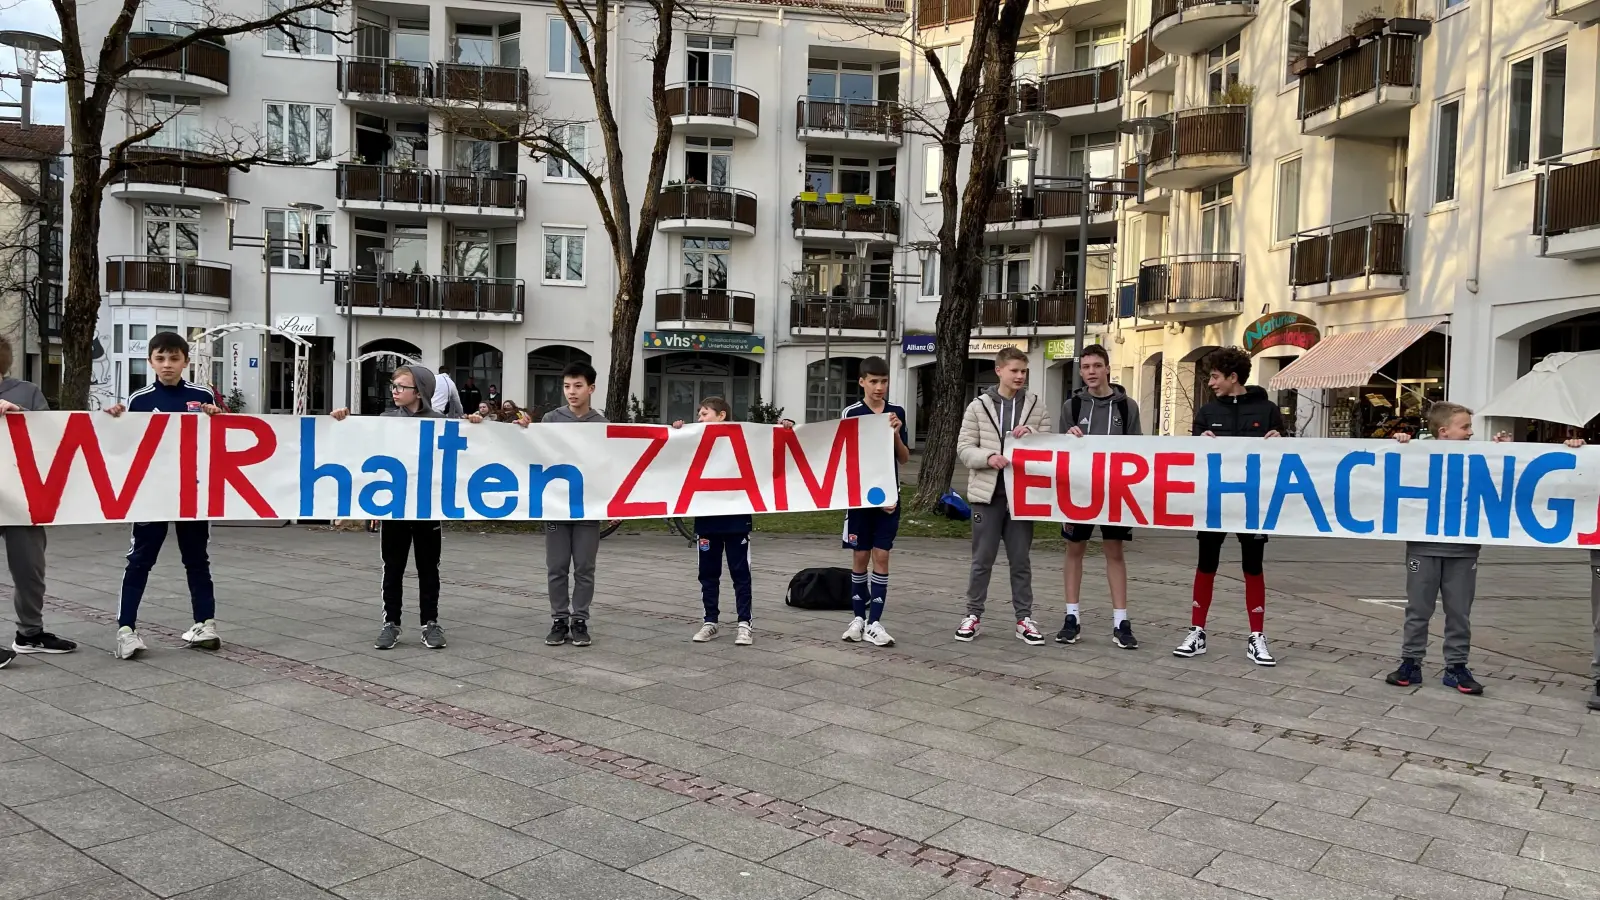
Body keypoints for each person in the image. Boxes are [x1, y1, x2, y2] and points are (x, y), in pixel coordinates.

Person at [104, 331, 224, 660]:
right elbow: (124, 443)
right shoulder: (139, 400)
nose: (167, 365)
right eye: (160, 358)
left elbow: (229, 435)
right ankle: (126, 630)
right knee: (140, 560)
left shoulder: (203, 395)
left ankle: (205, 623)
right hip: (151, 492)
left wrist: (217, 417)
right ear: (151, 362)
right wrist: (114, 420)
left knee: (197, 559)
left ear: (186, 361)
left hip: (192, 492)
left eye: (174, 358)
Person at [1174, 347, 1284, 666]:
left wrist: (1282, 441)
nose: (1210, 383)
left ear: (1233, 378)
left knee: (1253, 566)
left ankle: (1257, 636)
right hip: (1214, 500)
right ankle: (1197, 631)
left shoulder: (1268, 410)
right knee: (1206, 563)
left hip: (1253, 500)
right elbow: (1192, 459)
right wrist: (1199, 443)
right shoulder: (1207, 413)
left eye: (1215, 376)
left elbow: (1288, 458)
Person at [330, 365, 448, 650]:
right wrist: (343, 421)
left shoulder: (441, 422)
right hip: (394, 507)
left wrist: (475, 422)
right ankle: (391, 623)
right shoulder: (385, 420)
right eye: (393, 386)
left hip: (426, 507)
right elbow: (361, 445)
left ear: (419, 391)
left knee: (428, 567)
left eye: (401, 387)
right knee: (393, 567)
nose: (394, 391)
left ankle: (430, 622)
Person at [955, 347, 1052, 645]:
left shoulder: (1036, 405)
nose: (1020, 376)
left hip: (1022, 495)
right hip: (988, 495)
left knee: (1020, 560)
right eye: (1014, 371)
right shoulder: (978, 406)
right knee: (982, 559)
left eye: (1024, 371)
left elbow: (1049, 445)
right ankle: (973, 615)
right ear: (999, 370)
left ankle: (1024, 618)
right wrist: (989, 457)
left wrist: (1032, 433)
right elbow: (964, 448)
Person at [0, 336, 78, 667]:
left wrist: (22, 415)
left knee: (30, 569)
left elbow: (49, 438)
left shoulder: (25, 391)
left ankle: (30, 634)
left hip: (21, 500)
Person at [1058, 344, 1142, 649]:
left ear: (1107, 368)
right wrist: (1069, 439)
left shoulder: (1127, 407)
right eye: (1085, 367)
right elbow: (1059, 450)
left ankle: (1121, 620)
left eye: (1096, 366)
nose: (1091, 372)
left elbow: (1139, 452)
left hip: (1115, 491)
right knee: (1074, 550)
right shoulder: (1072, 406)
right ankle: (1071, 617)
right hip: (1080, 490)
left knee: (1114, 551)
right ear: (1081, 372)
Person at [838, 357, 911, 648]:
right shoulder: (852, 412)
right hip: (860, 498)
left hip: (889, 499)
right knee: (860, 556)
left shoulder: (896, 412)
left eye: (884, 382)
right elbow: (843, 456)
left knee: (882, 556)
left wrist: (894, 433)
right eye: (874, 382)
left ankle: (875, 622)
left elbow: (904, 458)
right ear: (862, 382)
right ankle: (858, 618)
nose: (879, 387)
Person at [672, 398, 756, 646]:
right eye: (698, 414)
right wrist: (677, 432)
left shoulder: (741, 438)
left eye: (704, 414)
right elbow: (672, 458)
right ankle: (710, 621)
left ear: (721, 416)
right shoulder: (695, 439)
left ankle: (744, 624)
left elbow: (768, 445)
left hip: (736, 519)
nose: (699, 419)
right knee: (708, 574)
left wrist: (786, 426)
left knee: (740, 573)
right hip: (707, 519)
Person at [541, 361, 606, 647]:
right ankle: (559, 619)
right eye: (567, 386)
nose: (572, 392)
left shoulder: (602, 424)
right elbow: (533, 453)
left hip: (588, 507)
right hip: (556, 506)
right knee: (556, 566)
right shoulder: (550, 420)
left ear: (591, 388)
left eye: (578, 386)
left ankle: (579, 619)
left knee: (584, 567)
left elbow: (610, 466)